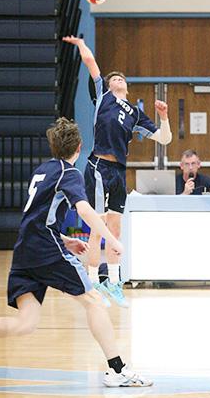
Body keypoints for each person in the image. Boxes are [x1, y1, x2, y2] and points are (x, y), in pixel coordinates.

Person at [0, 118, 152, 387]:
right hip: (45, 250)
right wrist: (111, 241)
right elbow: (84, 210)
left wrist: (65, 239)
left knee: (26, 323)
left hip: (26, 250)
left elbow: (35, 216)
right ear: (79, 147)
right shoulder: (68, 172)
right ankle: (117, 370)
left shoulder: (43, 170)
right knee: (93, 300)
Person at [62, 36, 172, 308]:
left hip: (118, 172)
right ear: (109, 85)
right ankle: (91, 284)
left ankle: (113, 282)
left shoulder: (134, 113)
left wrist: (165, 117)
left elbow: (165, 139)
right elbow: (90, 62)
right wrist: (80, 44)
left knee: (116, 229)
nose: (119, 79)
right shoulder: (104, 96)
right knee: (97, 228)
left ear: (127, 86)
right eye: (115, 78)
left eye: (122, 78)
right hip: (98, 166)